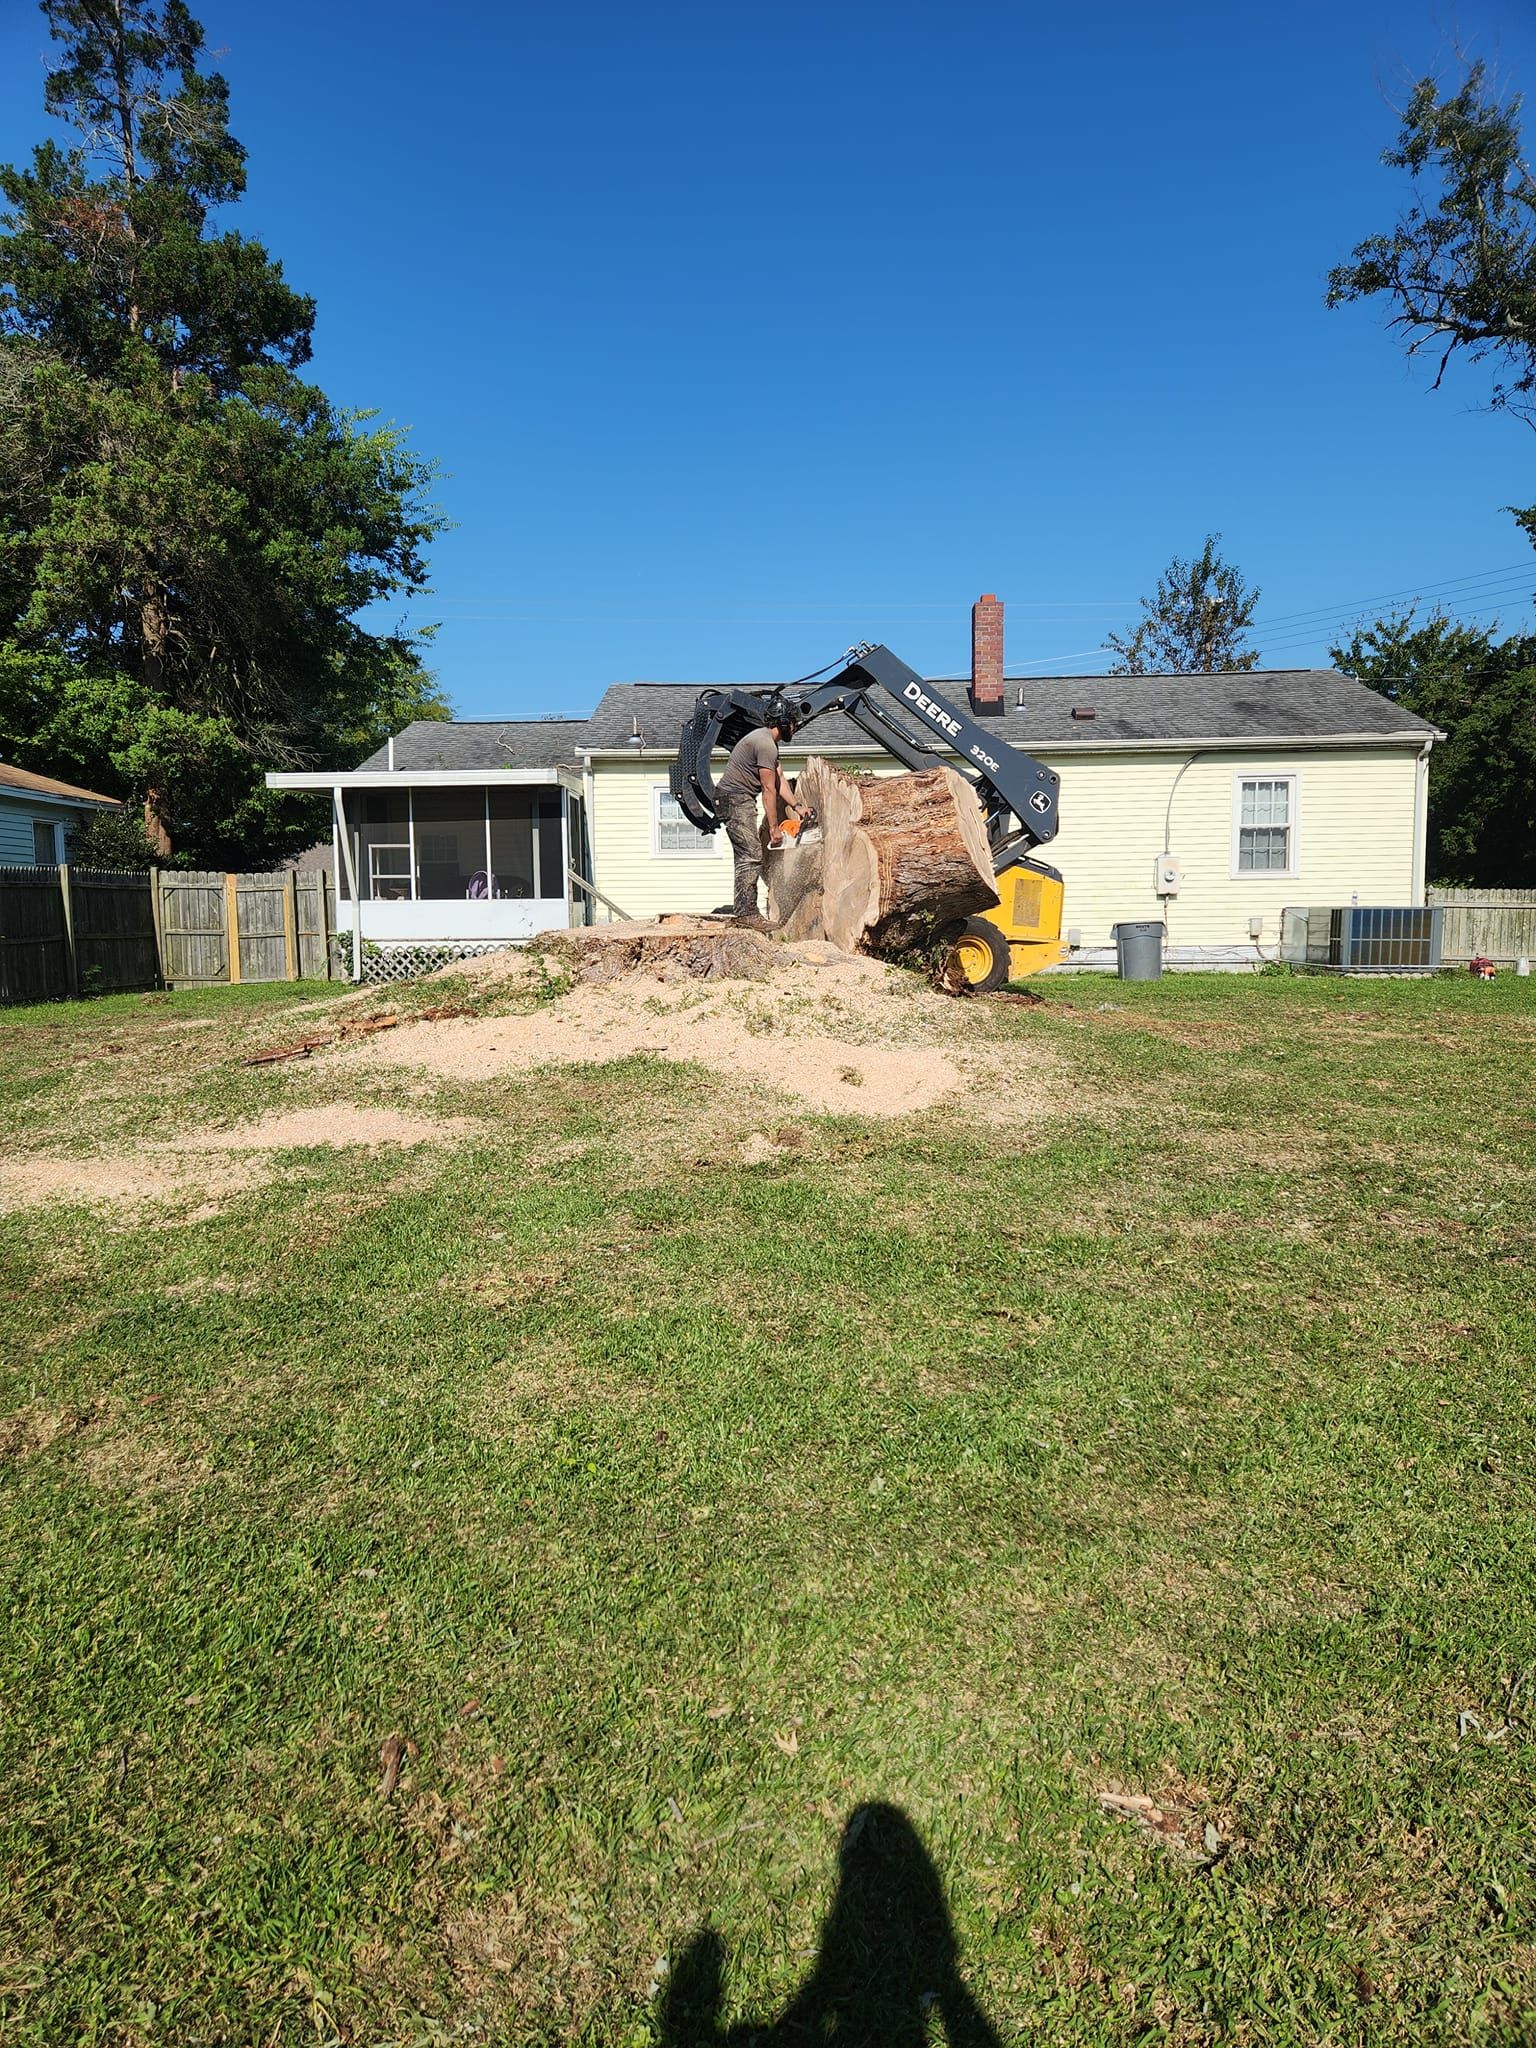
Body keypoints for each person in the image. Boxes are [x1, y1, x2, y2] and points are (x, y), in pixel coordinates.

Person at [714, 711, 804, 930]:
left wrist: (797, 806)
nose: (794, 728)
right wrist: (774, 828)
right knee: (751, 854)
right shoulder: (765, 744)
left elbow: (779, 779)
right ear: (783, 722)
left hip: (738, 798)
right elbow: (768, 789)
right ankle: (746, 914)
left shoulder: (766, 741)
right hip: (734, 799)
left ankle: (745, 912)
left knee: (748, 854)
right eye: (793, 724)